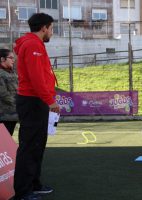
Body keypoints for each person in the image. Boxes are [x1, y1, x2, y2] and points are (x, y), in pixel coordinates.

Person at [13, 13, 60, 200]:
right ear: (44, 28)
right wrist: (50, 101)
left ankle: (34, 184)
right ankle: (23, 192)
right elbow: (36, 78)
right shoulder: (33, 45)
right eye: (52, 29)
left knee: (37, 145)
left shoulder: (35, 44)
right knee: (29, 146)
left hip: (35, 101)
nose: (52, 32)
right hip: (32, 101)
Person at [0, 49, 18, 135]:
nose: (13, 60)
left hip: (11, 115)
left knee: (5, 142)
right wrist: (19, 104)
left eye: (13, 58)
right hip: (3, 115)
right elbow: (3, 94)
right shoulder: (1, 73)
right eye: (11, 58)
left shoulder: (12, 72)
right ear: (2, 59)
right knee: (3, 143)